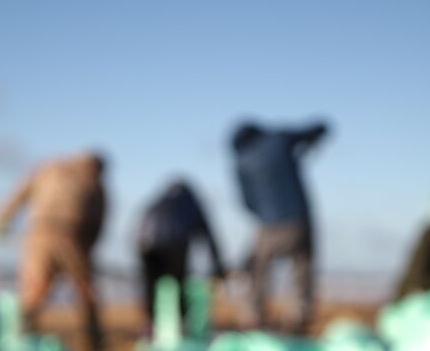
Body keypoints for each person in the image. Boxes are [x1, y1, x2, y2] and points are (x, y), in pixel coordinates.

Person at [0, 151, 107, 351]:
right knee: (85, 290)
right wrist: (86, 251)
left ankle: (24, 334)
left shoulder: (48, 170)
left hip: (36, 234)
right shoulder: (94, 182)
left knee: (35, 288)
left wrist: (2, 220)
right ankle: (93, 339)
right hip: (70, 236)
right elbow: (97, 223)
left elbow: (19, 194)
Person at [232, 120, 329, 332]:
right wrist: (313, 139)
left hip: (268, 225)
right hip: (298, 220)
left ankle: (255, 317)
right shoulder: (278, 140)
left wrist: (264, 213)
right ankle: (301, 315)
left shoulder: (241, 161)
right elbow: (317, 129)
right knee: (302, 265)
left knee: (259, 270)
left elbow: (246, 201)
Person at [135, 180, 225, 325]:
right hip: (174, 242)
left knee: (150, 285)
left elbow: (140, 223)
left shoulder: (158, 202)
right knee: (178, 284)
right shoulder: (192, 204)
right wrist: (218, 266)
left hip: (143, 243)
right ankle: (181, 323)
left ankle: (150, 323)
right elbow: (209, 237)